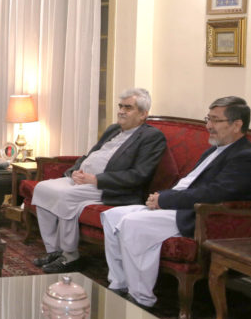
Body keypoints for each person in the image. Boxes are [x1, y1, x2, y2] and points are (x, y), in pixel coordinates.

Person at [101, 96, 251, 308]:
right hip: (176, 204)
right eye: (208, 119)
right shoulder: (215, 149)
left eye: (215, 120)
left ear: (237, 124)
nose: (208, 126)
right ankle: (119, 284)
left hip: (198, 215)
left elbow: (213, 194)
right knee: (111, 216)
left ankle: (140, 298)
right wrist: (162, 197)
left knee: (132, 224)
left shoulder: (245, 157)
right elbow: (189, 184)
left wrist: (165, 199)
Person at [31, 88, 167, 274]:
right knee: (42, 188)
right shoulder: (113, 129)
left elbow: (139, 175)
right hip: (83, 180)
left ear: (143, 114)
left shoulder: (152, 137)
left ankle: (70, 256)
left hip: (109, 187)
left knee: (66, 196)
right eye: (120, 106)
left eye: (128, 108)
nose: (121, 111)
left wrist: (96, 179)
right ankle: (55, 251)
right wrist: (74, 171)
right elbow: (90, 155)